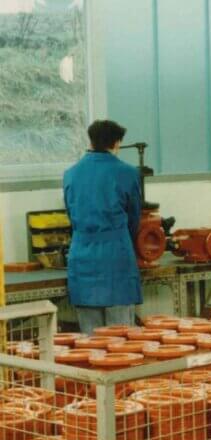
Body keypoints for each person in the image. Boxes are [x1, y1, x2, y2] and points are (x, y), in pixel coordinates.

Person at [63, 119, 143, 335]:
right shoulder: (127, 172)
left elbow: (71, 215)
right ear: (117, 143)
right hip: (116, 255)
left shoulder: (70, 173)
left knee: (91, 341)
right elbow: (135, 217)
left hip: (81, 255)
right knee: (122, 341)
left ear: (91, 141)